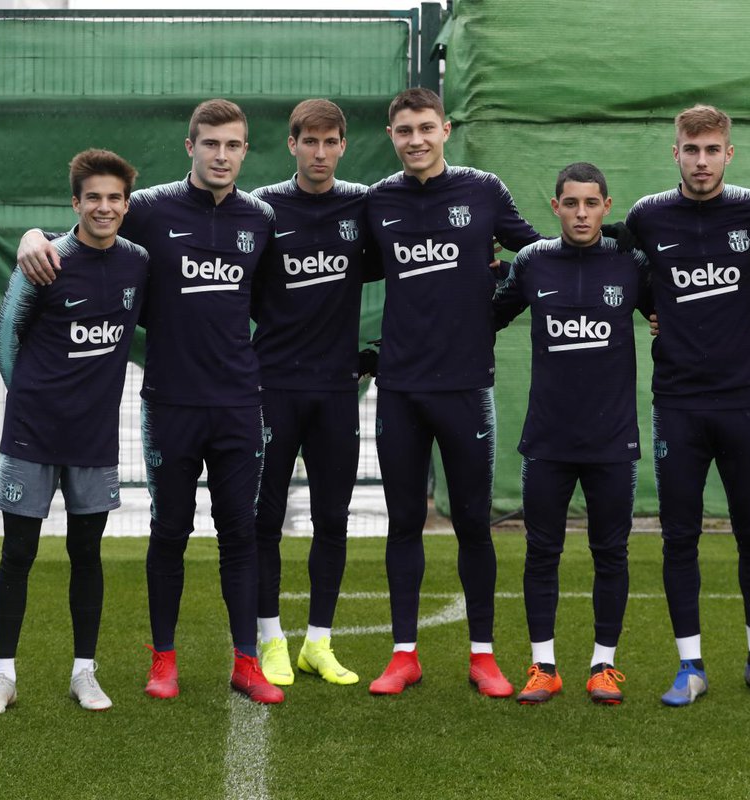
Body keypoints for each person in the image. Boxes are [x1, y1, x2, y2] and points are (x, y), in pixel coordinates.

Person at [15, 100, 283, 705]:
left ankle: (247, 663)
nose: (221, 155)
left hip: (240, 405)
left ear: (245, 150)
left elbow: (271, 306)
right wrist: (32, 236)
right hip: (170, 402)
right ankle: (163, 660)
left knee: (240, 534)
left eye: (233, 145)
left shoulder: (260, 218)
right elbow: (82, 237)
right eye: (210, 143)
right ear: (189, 146)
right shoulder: (150, 210)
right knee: (170, 533)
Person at [364, 87, 542, 697]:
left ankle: (483, 656)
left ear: (444, 130)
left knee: (472, 523)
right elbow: (329, 269)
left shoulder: (483, 191)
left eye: (425, 128)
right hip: (400, 390)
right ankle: (404, 654)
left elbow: (540, 253)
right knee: (404, 522)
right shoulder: (378, 202)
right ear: (392, 136)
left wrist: (499, 302)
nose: (415, 140)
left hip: (467, 387)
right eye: (404, 131)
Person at [625, 105, 750, 706]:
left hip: (744, 399)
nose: (701, 161)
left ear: (730, 153)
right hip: (677, 403)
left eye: (712, 150)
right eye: (690, 150)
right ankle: (690, 666)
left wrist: (742, 318)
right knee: (680, 537)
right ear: (676, 153)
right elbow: (625, 274)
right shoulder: (647, 216)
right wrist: (656, 311)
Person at [0, 149, 148, 716]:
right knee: (17, 553)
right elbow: (5, 338)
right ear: (75, 203)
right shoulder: (45, 258)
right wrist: (33, 398)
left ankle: (84, 673)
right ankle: (2, 676)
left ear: (126, 205)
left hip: (94, 439)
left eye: (114, 198)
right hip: (31, 434)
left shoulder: (139, 263)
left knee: (86, 554)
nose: (104, 206)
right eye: (92, 197)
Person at [492, 163, 650, 705]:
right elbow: (487, 312)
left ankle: (603, 666)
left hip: (612, 443)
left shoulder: (631, 263)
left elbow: (676, 305)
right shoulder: (533, 263)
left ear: (607, 207)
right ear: (555, 207)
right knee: (542, 553)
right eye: (570, 203)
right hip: (548, 442)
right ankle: (544, 667)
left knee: (612, 554)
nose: (581, 213)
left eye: (591, 203)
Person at [249, 99, 381, 688]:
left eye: (331, 142)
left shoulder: (362, 205)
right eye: (311, 141)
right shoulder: (262, 209)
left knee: (333, 518)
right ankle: (271, 638)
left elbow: (407, 267)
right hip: (272, 387)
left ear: (344, 145)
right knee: (265, 521)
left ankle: (318, 644)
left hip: (336, 391)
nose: (321, 153)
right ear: (292, 144)